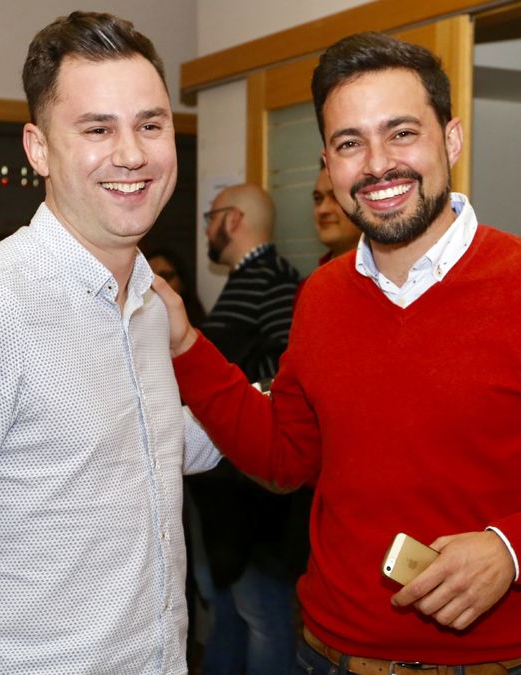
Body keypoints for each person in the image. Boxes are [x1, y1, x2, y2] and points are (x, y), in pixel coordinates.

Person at [154, 32, 521, 674]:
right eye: (350, 143)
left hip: (497, 665)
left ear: (450, 139)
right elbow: (285, 456)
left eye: (401, 133)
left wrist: (509, 550)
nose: (377, 164)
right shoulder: (321, 297)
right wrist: (187, 347)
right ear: (329, 163)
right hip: (329, 657)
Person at [0, 12, 221, 674]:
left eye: (150, 124)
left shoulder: (146, 303)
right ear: (38, 148)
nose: (132, 153)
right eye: (97, 128)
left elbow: (154, 447)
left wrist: (310, 390)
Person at [190, 182, 303, 674]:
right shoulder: (247, 279)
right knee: (236, 615)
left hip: (259, 499)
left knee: (264, 616)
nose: (208, 230)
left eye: (211, 217)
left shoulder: (274, 281)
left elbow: (289, 374)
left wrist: (238, 400)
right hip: (234, 496)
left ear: (232, 220)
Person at [311, 160, 361, 264]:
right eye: (318, 198)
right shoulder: (312, 280)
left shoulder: (390, 277)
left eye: (335, 197)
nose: (322, 210)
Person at [146, 247, 206, 326]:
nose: (155, 286)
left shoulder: (198, 330)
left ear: (182, 281)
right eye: (148, 280)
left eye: (165, 276)